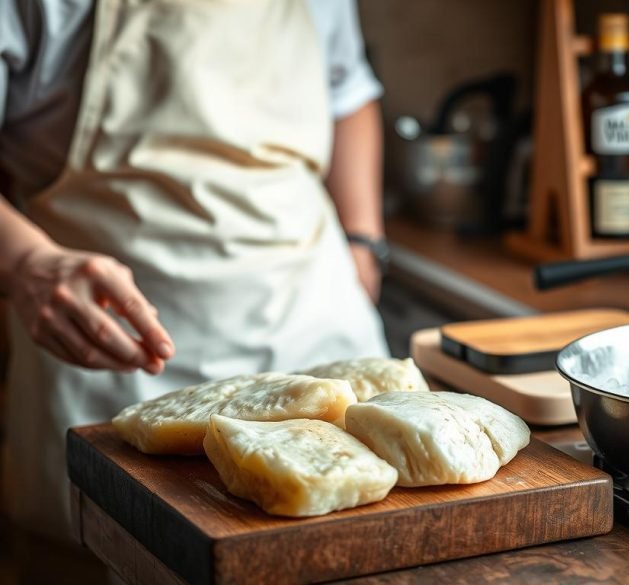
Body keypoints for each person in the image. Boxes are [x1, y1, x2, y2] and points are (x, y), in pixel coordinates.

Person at [0, 0, 389, 578]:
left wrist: (363, 242)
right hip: (115, 362)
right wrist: (26, 262)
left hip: (318, 324)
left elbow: (348, 92)